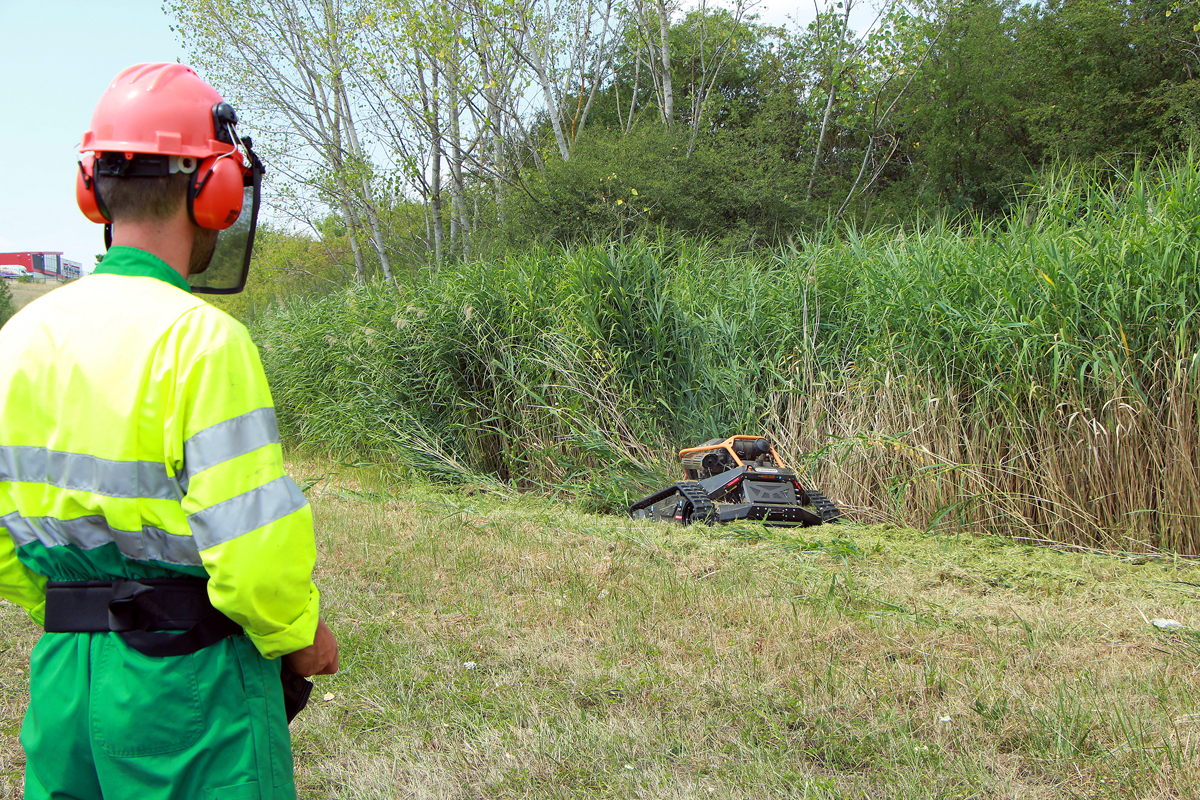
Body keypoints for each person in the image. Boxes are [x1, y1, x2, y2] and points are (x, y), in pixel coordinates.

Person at [0, 62, 337, 799]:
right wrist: (298, 635)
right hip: (187, 685)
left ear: (93, 190)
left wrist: (76, 613)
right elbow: (250, 549)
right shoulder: (203, 341)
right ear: (214, 193)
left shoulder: (19, 341)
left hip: (65, 679)